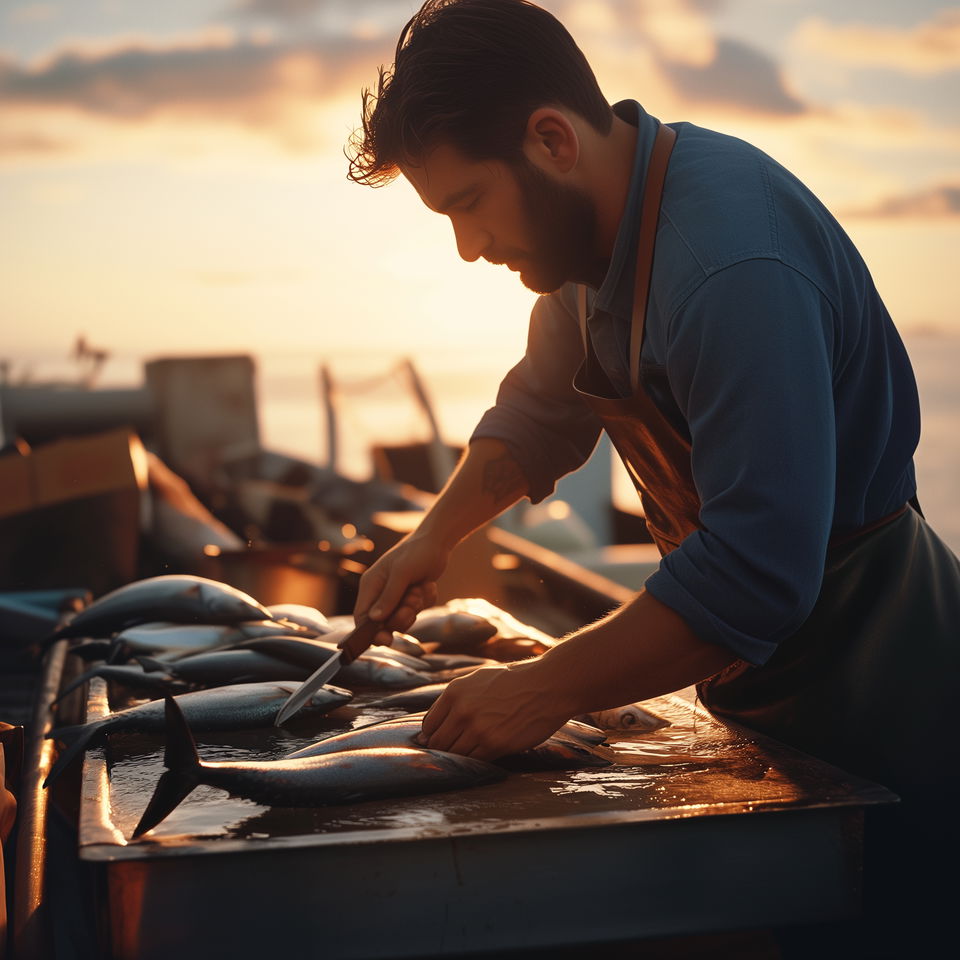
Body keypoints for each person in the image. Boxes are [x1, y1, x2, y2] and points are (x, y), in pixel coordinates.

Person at [347, 2, 959, 954]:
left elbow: (758, 571)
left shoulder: (728, 264)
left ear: (551, 139)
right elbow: (544, 411)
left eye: (467, 203)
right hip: (758, 674)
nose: (467, 247)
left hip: (887, 687)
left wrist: (543, 687)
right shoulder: (583, 245)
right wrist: (432, 536)